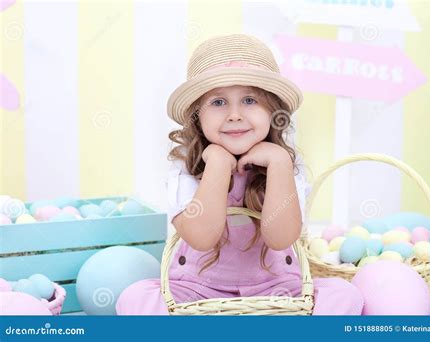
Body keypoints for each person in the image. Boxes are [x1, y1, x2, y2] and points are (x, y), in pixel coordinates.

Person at [116, 34, 364, 315]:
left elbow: (281, 238)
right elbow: (201, 237)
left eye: (249, 100)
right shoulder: (187, 170)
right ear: (197, 115)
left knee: (345, 296)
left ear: (273, 111)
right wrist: (218, 166)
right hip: (196, 289)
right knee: (134, 299)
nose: (234, 114)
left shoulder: (282, 166)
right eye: (218, 103)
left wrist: (280, 163)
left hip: (276, 288)